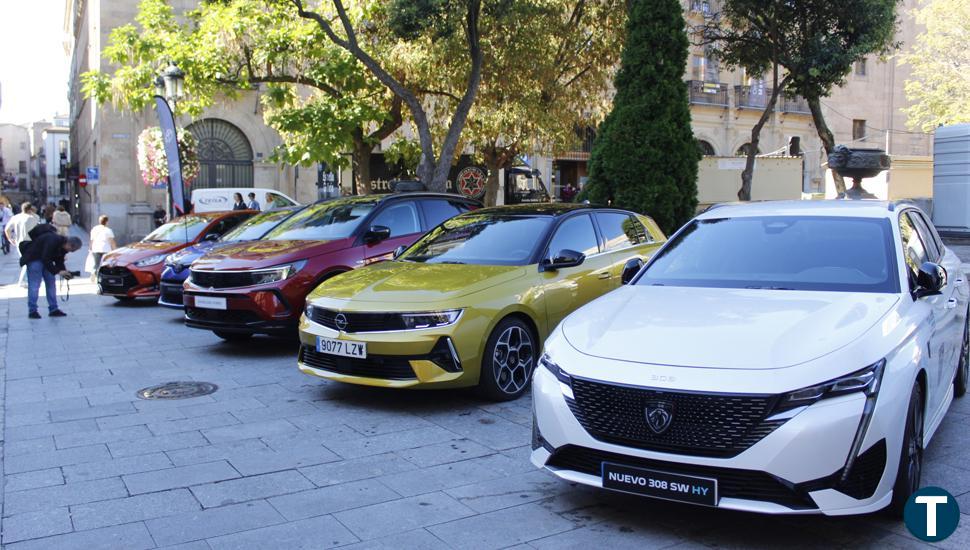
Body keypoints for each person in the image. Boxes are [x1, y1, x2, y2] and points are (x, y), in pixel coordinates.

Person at [20, 224, 82, 318]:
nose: (70, 252)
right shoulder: (52, 239)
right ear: (69, 244)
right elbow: (46, 258)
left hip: (45, 260)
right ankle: (32, 311)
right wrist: (58, 271)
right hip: (34, 259)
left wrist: (64, 272)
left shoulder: (63, 246)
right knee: (34, 285)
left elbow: (59, 260)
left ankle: (54, 309)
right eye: (72, 250)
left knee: (51, 284)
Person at [5, 202, 40, 286]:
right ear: (30, 209)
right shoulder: (34, 217)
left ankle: (24, 280)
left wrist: (10, 239)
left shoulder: (15, 217)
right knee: (29, 261)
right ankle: (24, 281)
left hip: (19, 242)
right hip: (31, 242)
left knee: (26, 260)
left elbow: (7, 229)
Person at [88, 215, 116, 281]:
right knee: (105, 265)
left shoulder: (94, 229)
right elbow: (111, 241)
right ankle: (102, 277)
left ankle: (93, 273)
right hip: (105, 249)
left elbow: (92, 240)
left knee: (96, 264)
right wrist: (115, 250)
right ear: (106, 222)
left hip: (96, 248)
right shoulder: (108, 230)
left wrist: (90, 248)